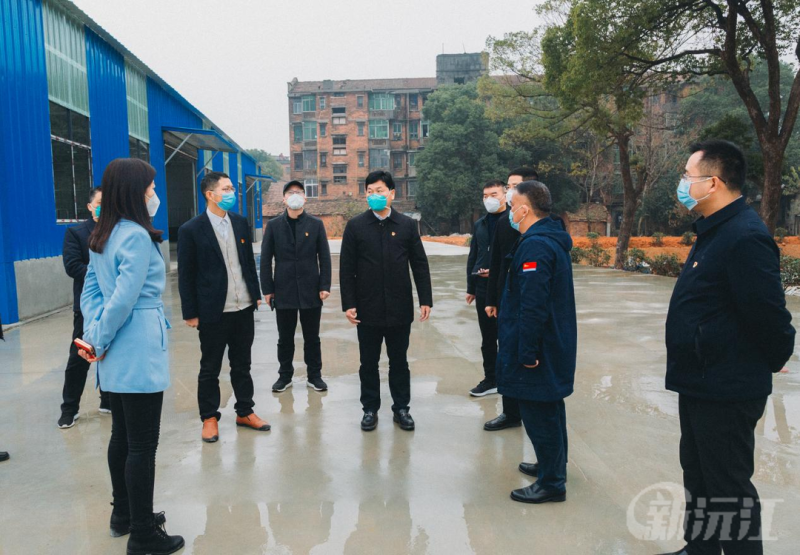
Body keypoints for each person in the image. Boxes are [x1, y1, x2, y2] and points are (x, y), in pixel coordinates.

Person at [660, 140, 795, 555]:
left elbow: (769, 316)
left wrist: (770, 358)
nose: (683, 183)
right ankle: (699, 548)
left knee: (728, 489)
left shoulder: (744, 236)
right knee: (698, 475)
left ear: (713, 182)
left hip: (726, 385)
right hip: (699, 379)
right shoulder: (713, 230)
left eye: (688, 176)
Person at [78, 158, 183, 554]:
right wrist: (99, 339)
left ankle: (123, 514)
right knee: (142, 444)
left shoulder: (104, 234)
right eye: (150, 188)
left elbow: (92, 292)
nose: (154, 194)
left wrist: (94, 335)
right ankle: (142, 534)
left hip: (114, 346)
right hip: (136, 342)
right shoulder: (136, 236)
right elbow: (123, 299)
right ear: (135, 191)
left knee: (121, 435)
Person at [496, 180, 576, 505]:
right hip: (551, 343)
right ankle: (552, 466)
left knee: (540, 413)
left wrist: (526, 351)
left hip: (539, 349)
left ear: (524, 209)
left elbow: (533, 305)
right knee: (550, 408)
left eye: (510, 206)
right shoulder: (547, 239)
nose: (508, 212)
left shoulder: (536, 247)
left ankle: (552, 483)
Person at [178, 171, 268, 444]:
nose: (232, 193)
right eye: (226, 189)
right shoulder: (191, 230)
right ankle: (209, 417)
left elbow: (248, 262)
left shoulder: (239, 223)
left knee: (242, 364)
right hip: (213, 310)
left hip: (243, 307)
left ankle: (245, 411)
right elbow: (186, 274)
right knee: (210, 367)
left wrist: (255, 293)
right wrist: (190, 312)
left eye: (231, 188)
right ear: (210, 194)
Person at [340, 170, 433, 432]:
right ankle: (370, 409)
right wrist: (349, 303)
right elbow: (346, 268)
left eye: (379, 191)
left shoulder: (406, 225)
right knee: (368, 363)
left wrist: (425, 299)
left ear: (392, 193)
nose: (374, 195)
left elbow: (419, 264)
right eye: (370, 191)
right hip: (367, 308)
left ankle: (401, 408)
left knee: (399, 362)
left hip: (399, 307)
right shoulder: (356, 226)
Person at [260, 180, 332, 393]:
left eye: (299, 192)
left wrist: (324, 285)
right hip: (284, 289)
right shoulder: (274, 226)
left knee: (312, 337)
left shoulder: (315, 224)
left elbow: (324, 257)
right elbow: (266, 259)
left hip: (311, 289)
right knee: (285, 338)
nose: (295, 196)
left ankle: (314, 376)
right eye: (290, 193)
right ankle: (285, 376)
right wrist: (267, 289)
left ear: (305, 197)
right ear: (283, 199)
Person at [483, 166, 539, 431]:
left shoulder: (546, 223)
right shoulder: (506, 222)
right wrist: (491, 299)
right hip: (507, 298)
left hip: (532, 300)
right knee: (506, 353)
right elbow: (496, 262)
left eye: (515, 186)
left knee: (531, 355)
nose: (509, 191)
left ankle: (534, 409)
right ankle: (510, 412)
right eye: (508, 186)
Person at [58, 187, 110, 429]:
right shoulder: (76, 232)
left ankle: (109, 399)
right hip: (87, 306)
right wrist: (103, 277)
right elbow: (72, 266)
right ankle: (69, 409)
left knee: (112, 353)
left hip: (114, 304)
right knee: (80, 356)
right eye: (100, 203)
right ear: (90, 206)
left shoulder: (118, 231)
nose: (104, 207)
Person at [465, 180, 508, 397]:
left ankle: (509, 379)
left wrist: (497, 271)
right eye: (485, 196)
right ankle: (491, 379)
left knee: (507, 336)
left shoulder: (513, 221)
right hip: (482, 286)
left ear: (505, 195)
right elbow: (474, 254)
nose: (489, 199)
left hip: (505, 286)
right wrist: (471, 286)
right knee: (488, 337)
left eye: (494, 194)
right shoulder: (480, 224)